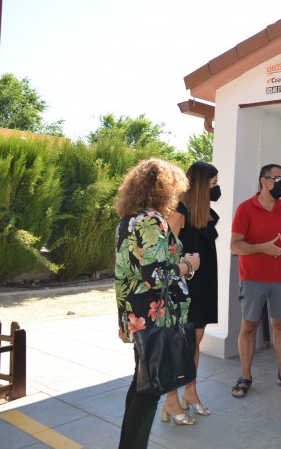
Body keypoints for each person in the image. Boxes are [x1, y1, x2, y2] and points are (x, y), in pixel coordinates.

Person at [114, 158, 201, 448]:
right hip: (154, 318)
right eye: (174, 190)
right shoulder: (151, 220)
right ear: (162, 189)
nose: (176, 196)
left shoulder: (127, 220)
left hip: (137, 315)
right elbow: (156, 275)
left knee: (142, 381)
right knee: (149, 389)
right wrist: (187, 266)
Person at [229, 163, 281, 398]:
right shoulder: (245, 209)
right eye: (277, 179)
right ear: (264, 180)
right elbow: (235, 245)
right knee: (249, 327)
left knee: (280, 325)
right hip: (252, 279)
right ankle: (245, 377)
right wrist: (263, 248)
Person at [166, 162, 220, 417]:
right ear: (200, 185)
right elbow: (163, 252)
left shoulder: (204, 212)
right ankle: (171, 399)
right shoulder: (179, 211)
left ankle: (190, 389)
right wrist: (184, 267)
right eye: (213, 184)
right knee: (182, 344)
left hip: (206, 284)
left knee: (196, 342)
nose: (216, 188)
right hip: (186, 286)